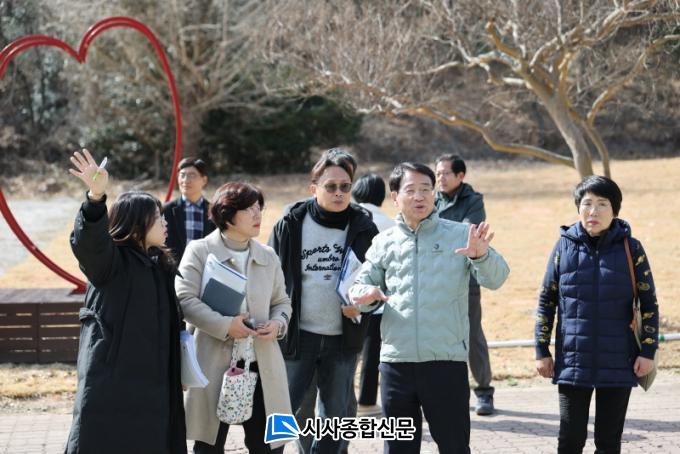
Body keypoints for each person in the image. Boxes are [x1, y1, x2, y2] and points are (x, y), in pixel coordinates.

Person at [350, 162, 509, 454]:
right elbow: (359, 286)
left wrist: (482, 256)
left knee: (454, 446)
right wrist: (367, 295)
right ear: (395, 197)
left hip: (445, 362)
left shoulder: (461, 234)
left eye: (426, 189)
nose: (420, 196)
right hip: (396, 363)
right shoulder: (384, 242)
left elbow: (497, 278)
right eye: (411, 190)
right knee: (398, 449)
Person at [65, 149, 186, 454]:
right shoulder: (111, 264)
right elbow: (90, 243)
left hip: (156, 388)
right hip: (113, 388)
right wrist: (95, 198)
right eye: (157, 217)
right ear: (136, 223)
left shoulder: (159, 265)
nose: (165, 223)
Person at [535, 175, 658, 454]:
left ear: (614, 210)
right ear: (578, 208)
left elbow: (649, 304)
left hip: (619, 361)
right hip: (573, 362)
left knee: (608, 442)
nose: (593, 211)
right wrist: (541, 350)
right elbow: (546, 301)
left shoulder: (632, 248)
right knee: (569, 440)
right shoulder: (563, 246)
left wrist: (648, 351)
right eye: (587, 203)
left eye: (602, 204)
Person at [269, 149, 378, 453]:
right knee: (284, 411)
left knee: (336, 416)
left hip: (343, 338)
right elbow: (270, 277)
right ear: (313, 188)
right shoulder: (290, 223)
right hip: (297, 336)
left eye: (345, 186)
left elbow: (378, 282)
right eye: (331, 186)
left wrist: (364, 305)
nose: (339, 192)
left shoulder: (364, 228)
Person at [175, 182, 293, 454]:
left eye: (259, 207)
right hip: (212, 364)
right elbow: (184, 300)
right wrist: (226, 326)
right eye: (249, 209)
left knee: (270, 447)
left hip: (263, 364)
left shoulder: (268, 255)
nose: (257, 214)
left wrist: (278, 324)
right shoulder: (199, 250)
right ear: (227, 215)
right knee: (208, 445)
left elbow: (282, 303)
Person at [434, 154, 495, 415]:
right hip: (434, 277)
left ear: (460, 175)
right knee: (436, 335)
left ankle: (484, 392)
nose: (440, 178)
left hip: (465, 278)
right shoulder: (431, 199)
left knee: (472, 335)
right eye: (437, 173)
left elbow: (468, 235)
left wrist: (437, 238)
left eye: (445, 173)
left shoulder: (473, 200)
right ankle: (443, 394)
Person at [351, 173, 395, 417]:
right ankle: (366, 402)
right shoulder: (389, 224)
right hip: (377, 297)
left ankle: (342, 400)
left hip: (346, 295)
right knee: (371, 349)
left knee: (345, 352)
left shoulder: (348, 218)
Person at [163, 157, 216, 261]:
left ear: (204, 180)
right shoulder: (166, 210)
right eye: (182, 175)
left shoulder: (214, 211)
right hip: (173, 268)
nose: (186, 180)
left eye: (192, 175)